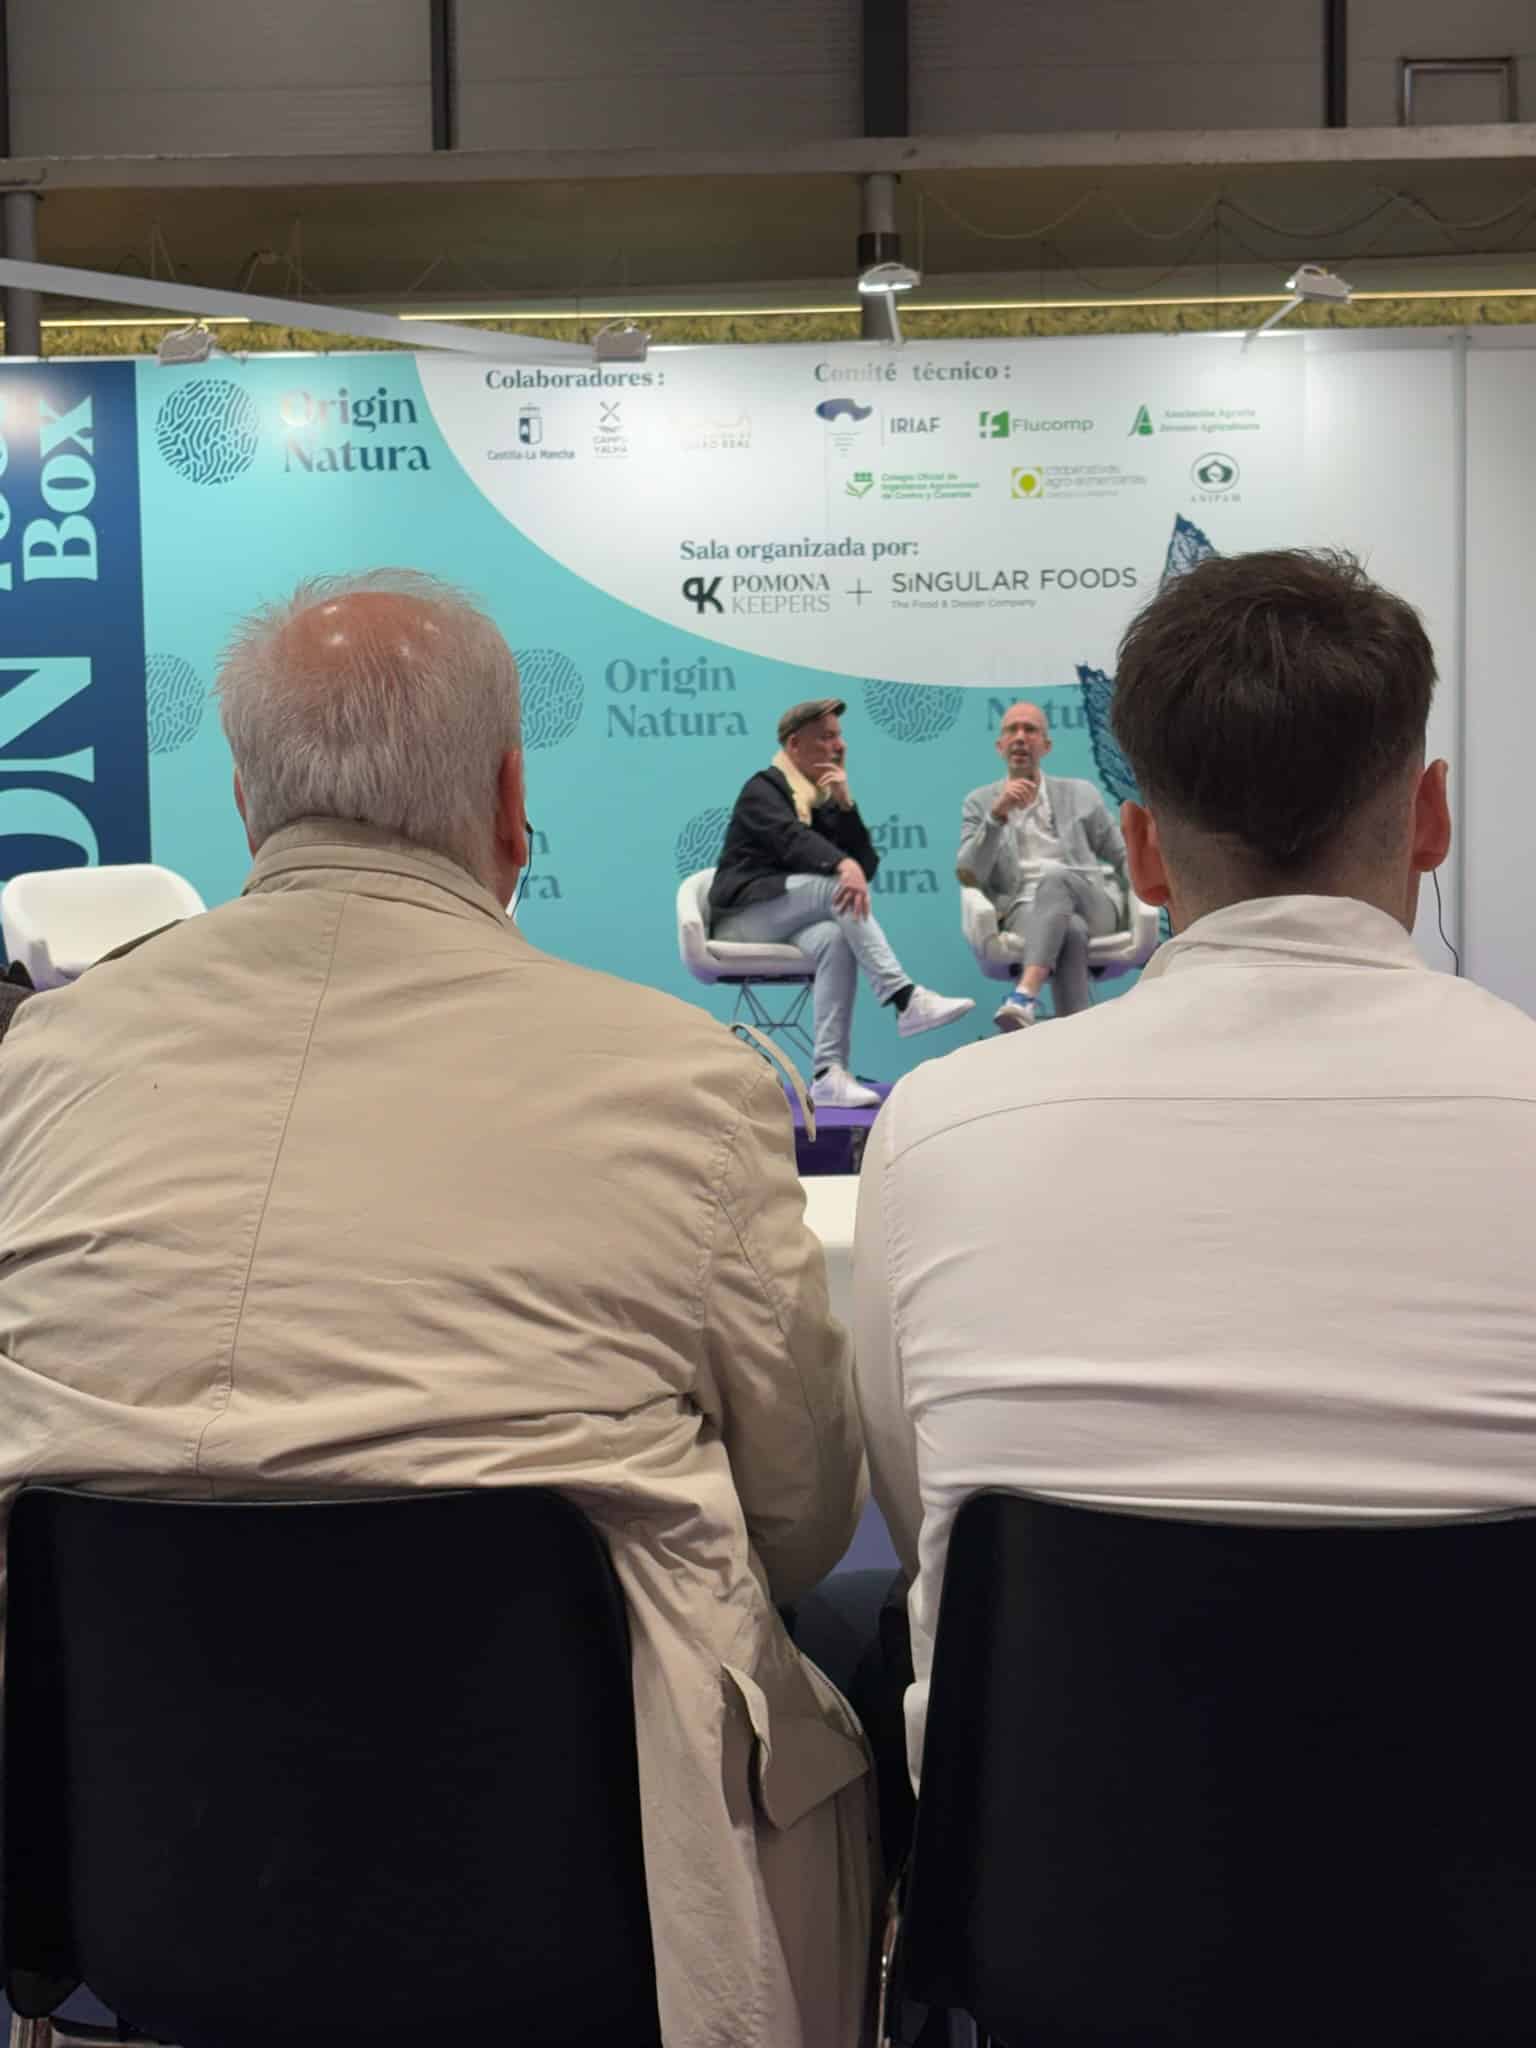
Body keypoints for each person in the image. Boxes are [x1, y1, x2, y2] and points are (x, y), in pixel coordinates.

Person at [0, 571, 876, 2048]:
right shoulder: (684, 1083)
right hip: (590, 1910)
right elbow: (798, 1519)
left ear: (244, 799)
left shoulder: (37, 1067)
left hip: (123, 1892)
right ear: (513, 799)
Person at [855, 547, 1536, 1798]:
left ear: (1145, 851)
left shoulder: (937, 1132)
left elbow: (925, 1520)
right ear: (1431, 816)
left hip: (1055, 1889)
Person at [711, 698, 973, 1107]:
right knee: (834, 888)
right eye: (826, 737)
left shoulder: (820, 799)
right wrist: (841, 864)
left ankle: (827, 1074)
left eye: (839, 736)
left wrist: (845, 804)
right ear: (794, 744)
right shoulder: (762, 790)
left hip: (784, 917)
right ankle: (904, 997)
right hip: (741, 919)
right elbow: (792, 841)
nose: (838, 746)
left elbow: (865, 867)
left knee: (835, 938)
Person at [957, 700, 1128, 1031]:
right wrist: (996, 817)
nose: (1020, 737)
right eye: (1012, 730)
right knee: (1071, 931)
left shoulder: (1081, 794)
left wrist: (1148, 909)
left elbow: (1121, 855)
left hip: (1090, 901)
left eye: (1030, 729)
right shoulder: (980, 803)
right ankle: (1074, 1039)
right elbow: (968, 874)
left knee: (1055, 877)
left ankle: (1025, 994)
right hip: (1025, 910)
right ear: (1000, 746)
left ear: (1046, 746)